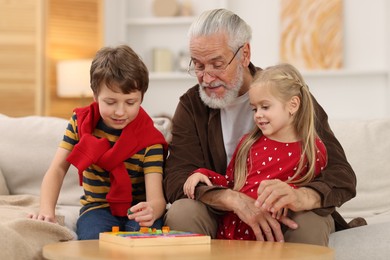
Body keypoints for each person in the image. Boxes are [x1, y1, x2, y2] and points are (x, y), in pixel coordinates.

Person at [163, 8, 359, 246]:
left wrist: (301, 197)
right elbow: (176, 180)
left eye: (217, 63)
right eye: (198, 66)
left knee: (306, 225)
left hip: (287, 211)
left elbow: (341, 174)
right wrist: (233, 199)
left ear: (244, 54)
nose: (206, 77)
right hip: (222, 211)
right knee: (182, 213)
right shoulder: (192, 104)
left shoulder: (285, 92)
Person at [28, 45, 168, 240]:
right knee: (93, 243)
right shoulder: (79, 123)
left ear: (141, 98)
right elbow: (58, 169)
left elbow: (156, 199)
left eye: (130, 102)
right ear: (95, 96)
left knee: (143, 243)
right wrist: (46, 210)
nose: (120, 112)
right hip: (97, 209)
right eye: (110, 102)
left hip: (138, 210)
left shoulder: (150, 139)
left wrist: (151, 210)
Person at [183, 63, 328, 240]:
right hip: (233, 232)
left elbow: (314, 187)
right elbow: (232, 183)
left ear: (293, 105)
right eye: (254, 108)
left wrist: (287, 195)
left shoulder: (312, 149)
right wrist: (203, 174)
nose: (258, 114)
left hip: (275, 233)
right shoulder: (249, 143)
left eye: (265, 107)